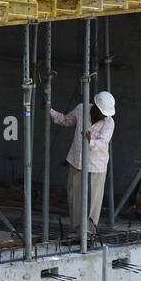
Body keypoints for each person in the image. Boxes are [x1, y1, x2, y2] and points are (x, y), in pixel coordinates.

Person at [48, 91, 116, 235]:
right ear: (95, 107)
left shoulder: (109, 122)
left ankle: (89, 235)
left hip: (96, 166)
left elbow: (103, 143)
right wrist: (50, 111)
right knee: (74, 199)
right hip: (77, 161)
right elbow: (66, 120)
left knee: (93, 202)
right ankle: (76, 231)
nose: (104, 116)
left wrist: (89, 141)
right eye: (102, 112)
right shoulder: (81, 109)